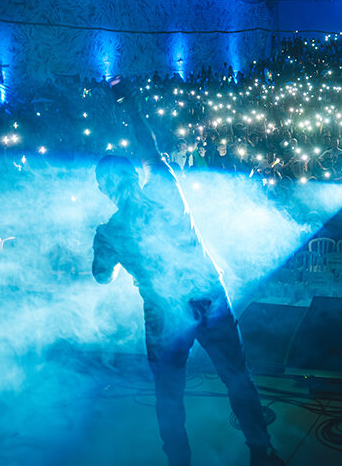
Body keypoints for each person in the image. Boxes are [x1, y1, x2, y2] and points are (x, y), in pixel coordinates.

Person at [91, 87, 283, 466]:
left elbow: (101, 277)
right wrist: (127, 104)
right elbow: (149, 146)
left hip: (163, 314)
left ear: (104, 189)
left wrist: (112, 256)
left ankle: (179, 462)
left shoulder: (109, 232)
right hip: (207, 294)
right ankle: (261, 453)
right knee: (237, 376)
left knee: (169, 394)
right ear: (134, 173)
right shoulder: (164, 188)